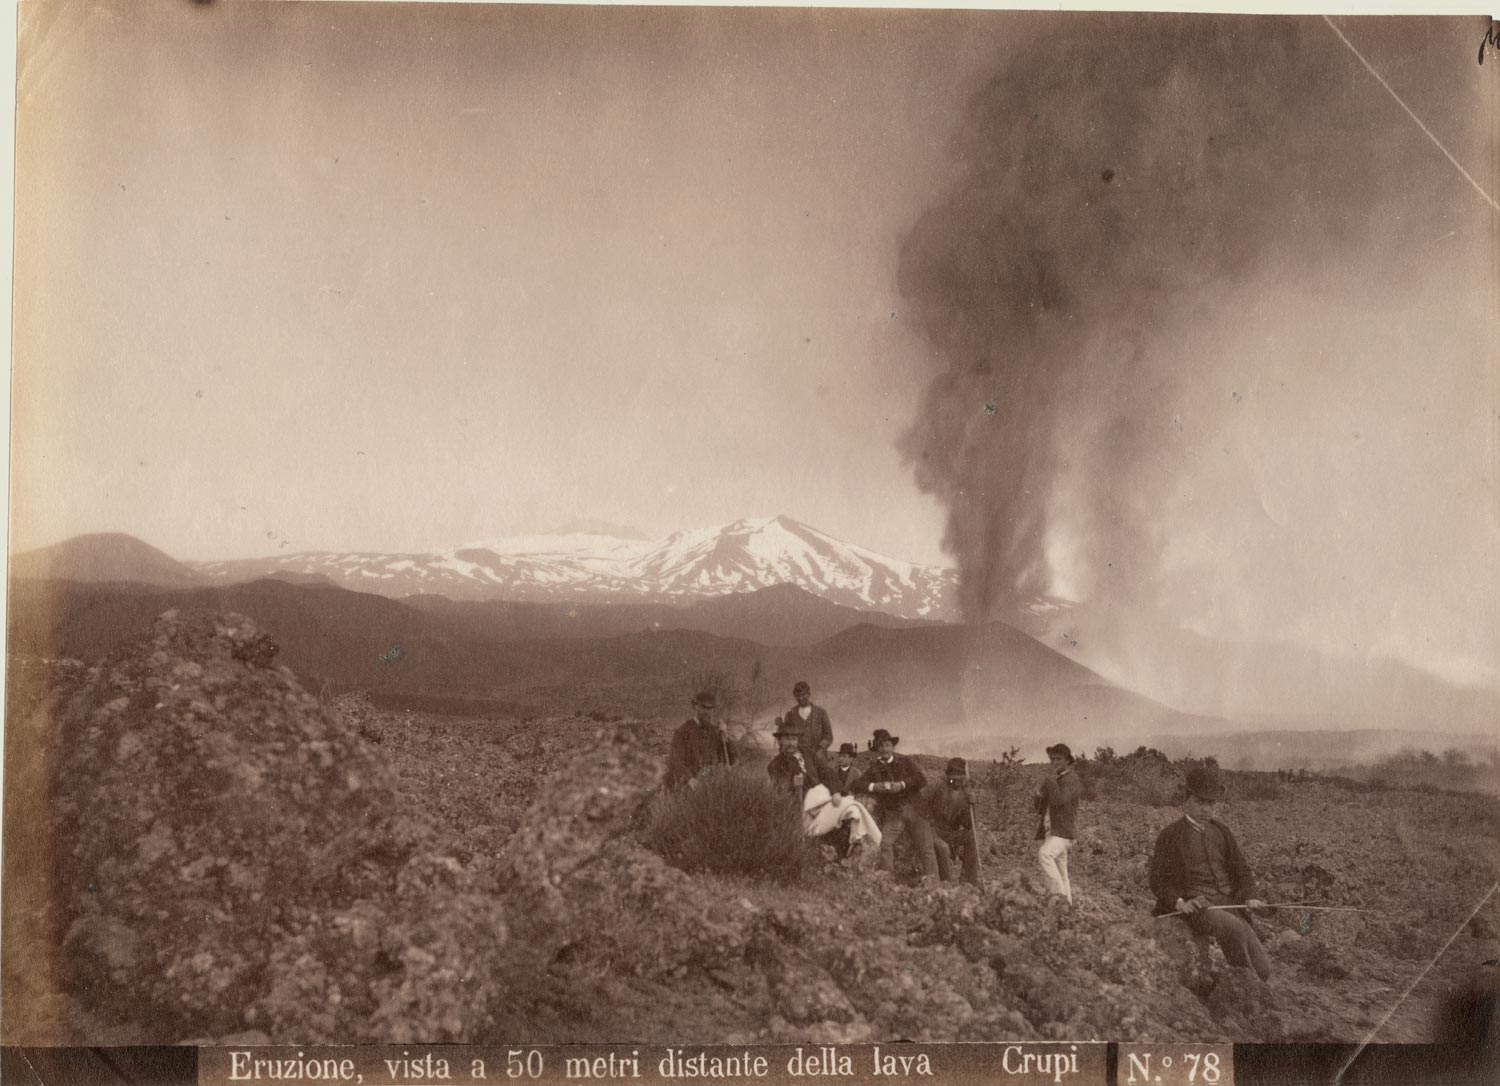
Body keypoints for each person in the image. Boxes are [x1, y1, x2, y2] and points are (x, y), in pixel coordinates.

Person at [1149, 765, 1272, 980]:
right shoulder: (1170, 836)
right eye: (1200, 802)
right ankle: (1243, 986)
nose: (1206, 809)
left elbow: (1242, 871)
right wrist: (1180, 902)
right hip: (1197, 907)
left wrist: (1251, 896)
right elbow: (1157, 881)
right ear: (1186, 800)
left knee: (1263, 970)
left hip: (1229, 903)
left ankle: (1249, 981)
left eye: (1210, 803)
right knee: (1233, 929)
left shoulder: (1222, 831)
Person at [852, 728, 938, 879]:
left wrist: (903, 784)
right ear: (877, 749)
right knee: (885, 844)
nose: (884, 749)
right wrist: (874, 786)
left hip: (915, 809)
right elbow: (857, 784)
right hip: (894, 814)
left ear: (892, 747)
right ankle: (887, 881)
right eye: (881, 746)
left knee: (926, 848)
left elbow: (921, 780)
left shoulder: (905, 762)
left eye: (887, 745)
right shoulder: (874, 768)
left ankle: (933, 884)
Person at [1033, 742, 1082, 902]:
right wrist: (1038, 795)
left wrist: (1049, 781)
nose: (1055, 762)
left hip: (1063, 832)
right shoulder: (1057, 779)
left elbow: (1059, 801)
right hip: (1052, 831)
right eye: (1052, 759)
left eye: (1059, 759)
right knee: (1062, 872)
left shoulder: (1072, 779)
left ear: (1068, 760)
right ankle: (1067, 905)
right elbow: (1041, 808)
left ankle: (1060, 899)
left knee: (1045, 854)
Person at [924, 757, 980, 885]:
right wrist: (928, 824)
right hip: (932, 830)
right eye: (953, 778)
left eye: (960, 779)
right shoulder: (936, 787)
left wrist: (972, 805)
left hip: (950, 833)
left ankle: (968, 881)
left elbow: (968, 824)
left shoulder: (965, 794)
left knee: (972, 837)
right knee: (943, 848)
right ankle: (946, 883)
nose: (956, 782)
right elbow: (920, 805)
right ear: (948, 775)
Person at [664, 690, 735, 790]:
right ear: (696, 707)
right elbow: (675, 760)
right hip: (689, 786)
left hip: (710, 785)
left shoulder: (714, 731)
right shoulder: (683, 731)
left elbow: (730, 760)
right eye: (704, 707)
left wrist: (725, 737)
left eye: (710, 708)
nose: (707, 712)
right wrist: (690, 779)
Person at [767, 720, 829, 798]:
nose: (791, 743)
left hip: (821, 796)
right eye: (787, 739)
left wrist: (835, 792)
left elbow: (826, 772)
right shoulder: (775, 765)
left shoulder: (808, 753)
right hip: (799, 802)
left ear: (797, 741)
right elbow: (782, 792)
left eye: (794, 739)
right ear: (780, 741)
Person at [784, 681, 833, 760]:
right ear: (795, 696)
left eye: (803, 695)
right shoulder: (790, 714)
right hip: (797, 758)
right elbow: (785, 737)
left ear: (808, 694)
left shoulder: (820, 712)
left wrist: (820, 750)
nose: (800, 698)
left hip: (818, 758)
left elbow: (828, 736)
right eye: (798, 696)